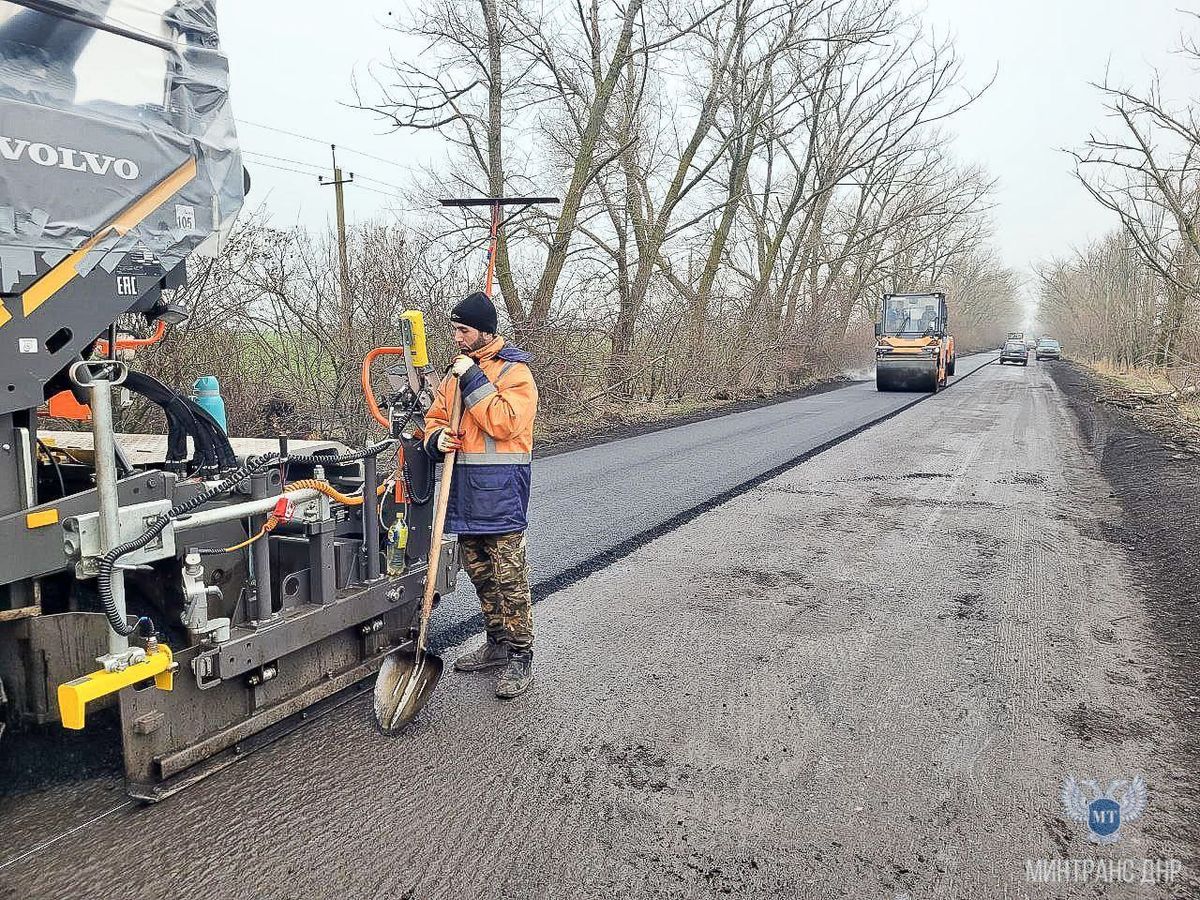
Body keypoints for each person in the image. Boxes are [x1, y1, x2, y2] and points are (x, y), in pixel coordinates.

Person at [422, 291, 539, 699]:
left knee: (510, 579)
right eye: (454, 329)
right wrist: (436, 439)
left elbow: (504, 423)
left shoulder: (515, 374)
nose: (455, 336)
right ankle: (496, 644)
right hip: (464, 496)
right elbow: (433, 418)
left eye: (462, 329)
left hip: (502, 495)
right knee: (480, 575)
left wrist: (472, 377)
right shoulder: (454, 375)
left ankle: (521, 657)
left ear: (484, 332)